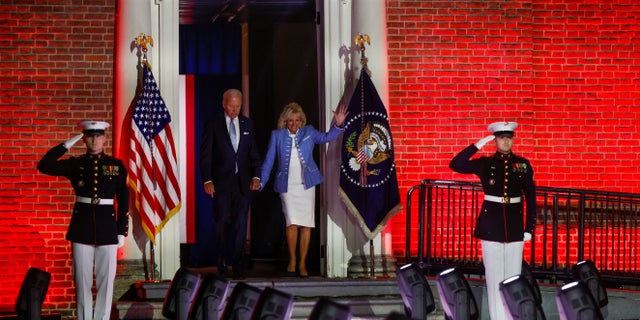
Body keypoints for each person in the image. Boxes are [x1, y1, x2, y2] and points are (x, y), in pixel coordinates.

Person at [37, 120, 129, 320]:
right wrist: (65, 145)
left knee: (106, 282)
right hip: (82, 228)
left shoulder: (116, 165)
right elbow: (44, 165)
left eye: (98, 135)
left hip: (108, 227)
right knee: (82, 280)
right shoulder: (76, 164)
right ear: (84, 138)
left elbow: (123, 200)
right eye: (89, 136)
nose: (94, 140)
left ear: (104, 138)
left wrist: (122, 230)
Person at [449, 121, 536, 320]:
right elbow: (456, 164)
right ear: (495, 140)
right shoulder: (485, 163)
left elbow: (531, 198)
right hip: (491, 226)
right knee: (495, 278)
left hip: (515, 227)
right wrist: (477, 145)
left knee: (513, 278)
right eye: (501, 137)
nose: (506, 141)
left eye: (509, 137)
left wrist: (529, 227)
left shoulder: (522, 164)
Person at [259, 102, 348, 278]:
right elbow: (268, 161)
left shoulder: (309, 132)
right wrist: (261, 182)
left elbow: (326, 138)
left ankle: (302, 263)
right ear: (284, 121)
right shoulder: (276, 136)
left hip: (307, 185)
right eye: (290, 120)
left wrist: (338, 124)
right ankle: (292, 259)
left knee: (306, 225)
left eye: (297, 120)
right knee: (291, 224)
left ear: (301, 121)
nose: (294, 124)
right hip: (287, 186)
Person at [199, 88, 262, 280]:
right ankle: (222, 261)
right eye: (231, 106)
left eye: (238, 106)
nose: (234, 110)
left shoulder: (247, 124)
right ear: (223, 104)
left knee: (240, 224)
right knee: (223, 221)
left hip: (243, 183)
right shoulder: (214, 124)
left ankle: (238, 264)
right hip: (221, 183)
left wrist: (256, 176)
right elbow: (206, 155)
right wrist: (207, 180)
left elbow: (254, 154)